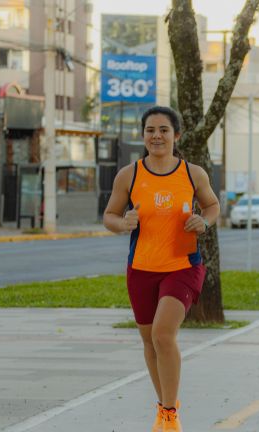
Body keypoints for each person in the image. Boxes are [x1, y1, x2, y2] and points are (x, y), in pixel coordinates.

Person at [103, 106, 220, 432]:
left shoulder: (192, 173)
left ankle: (169, 414)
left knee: (162, 334)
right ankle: (164, 406)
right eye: (150, 130)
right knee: (149, 341)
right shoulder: (129, 175)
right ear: (143, 135)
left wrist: (204, 221)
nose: (156, 136)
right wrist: (122, 222)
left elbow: (212, 206)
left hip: (182, 266)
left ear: (176, 135)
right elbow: (109, 216)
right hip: (141, 267)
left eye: (164, 130)